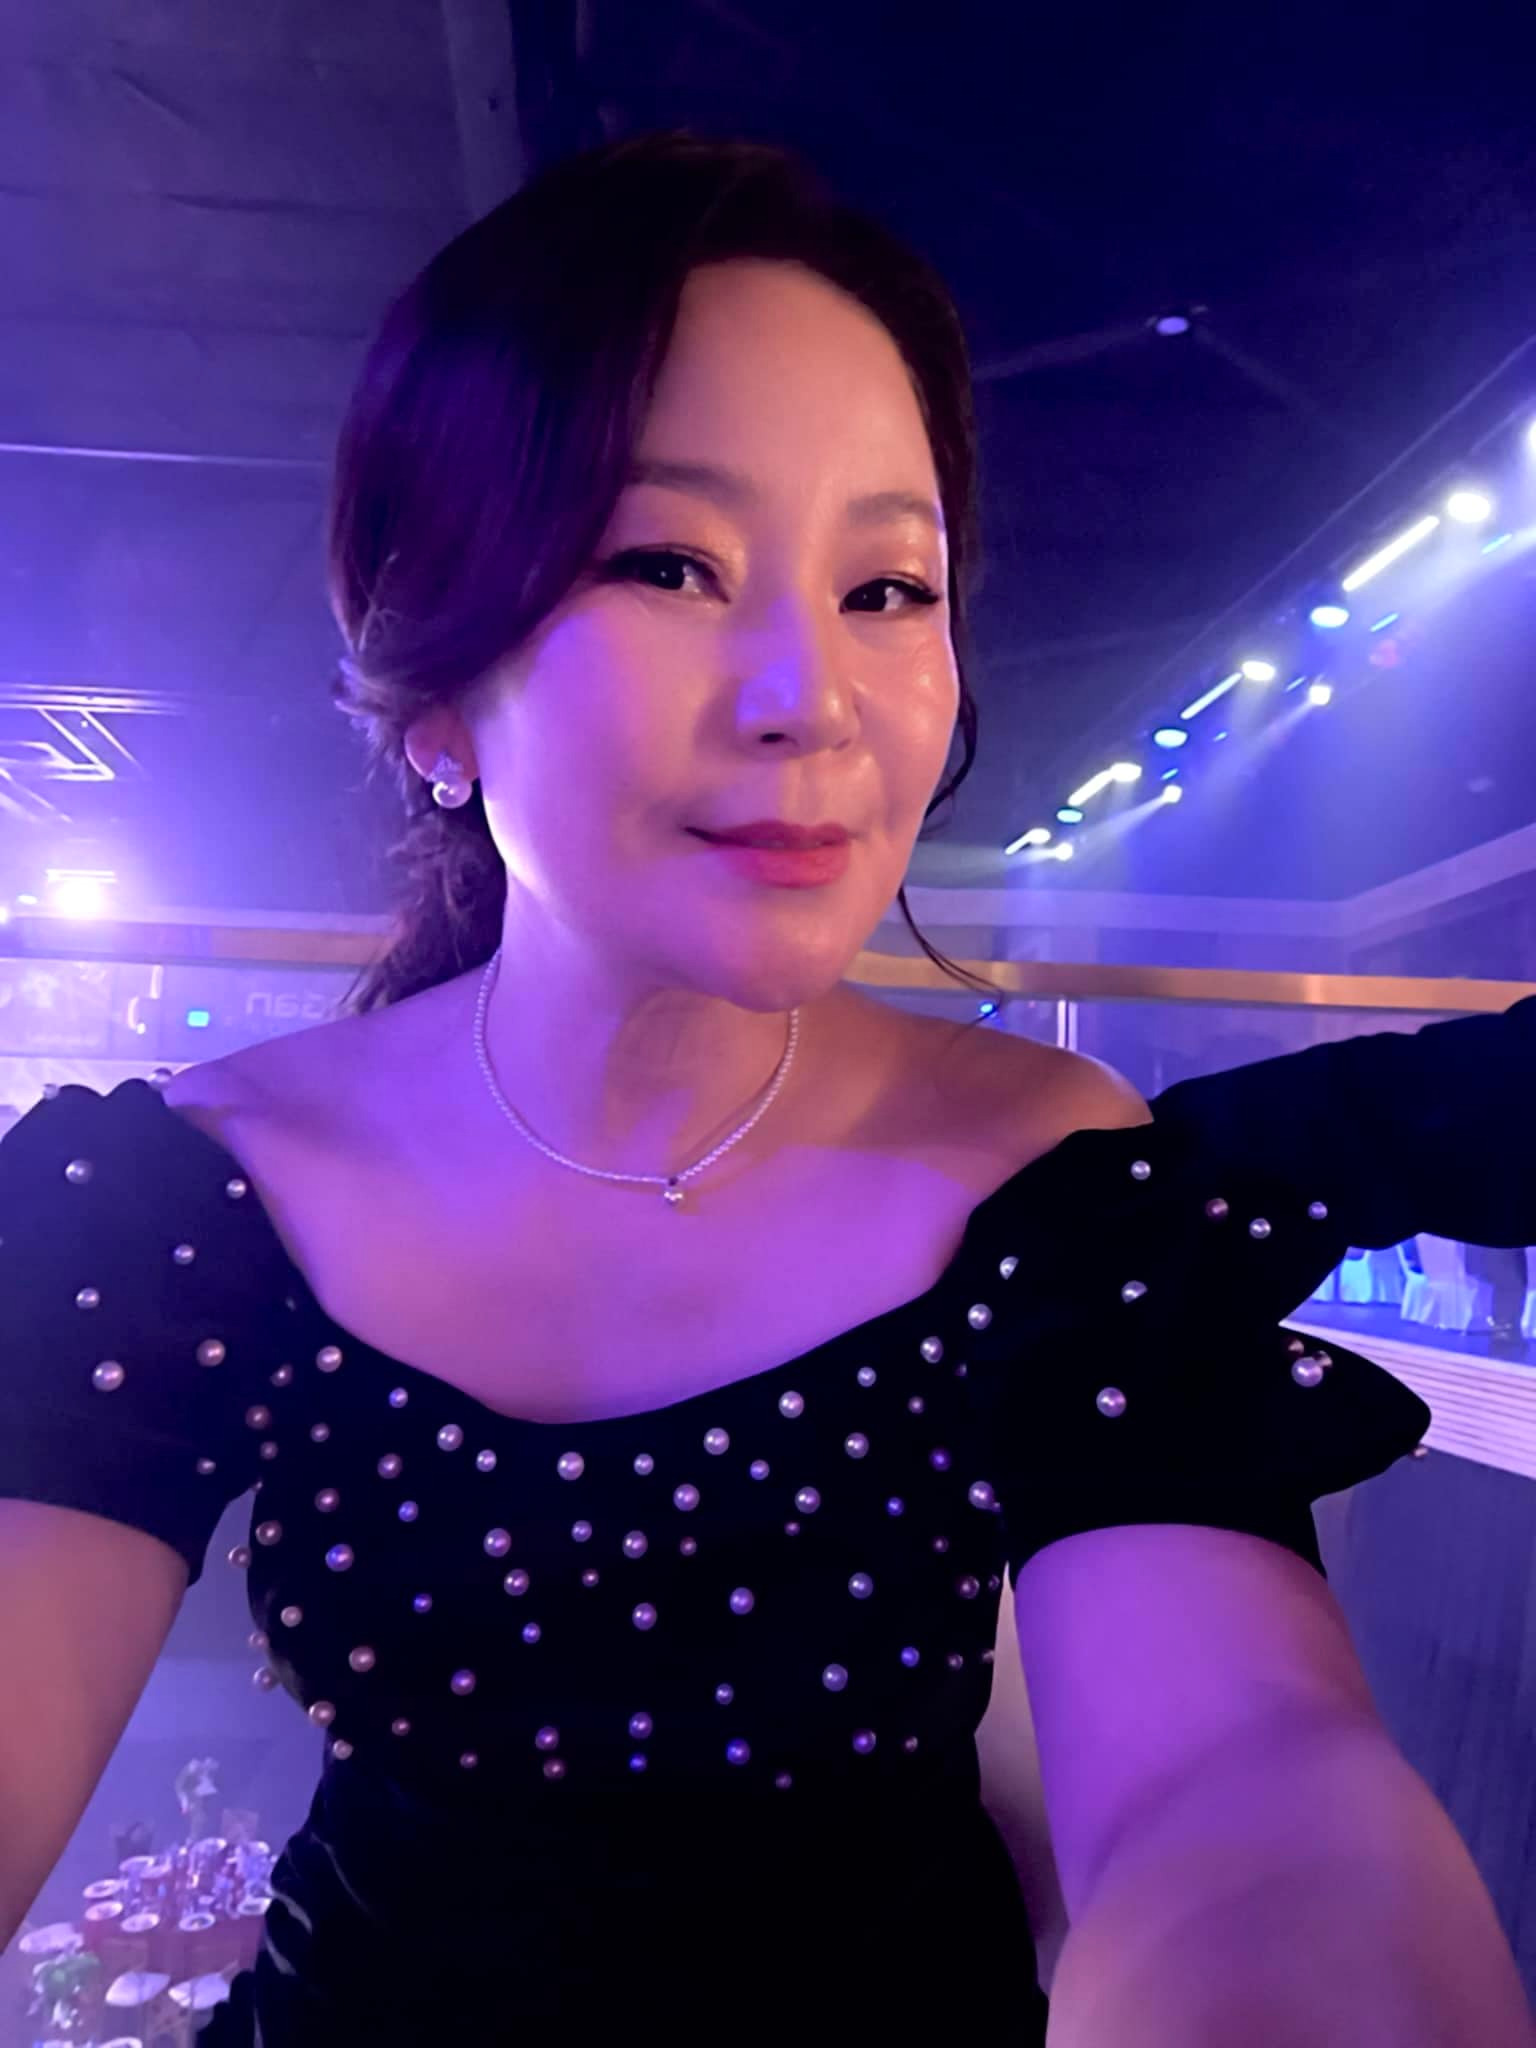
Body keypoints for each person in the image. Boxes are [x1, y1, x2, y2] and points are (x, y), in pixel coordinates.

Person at [1, 130, 1533, 2045]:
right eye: (671, 564)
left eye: (889, 586)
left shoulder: (1052, 1194)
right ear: (434, 689)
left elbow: (1244, 1786)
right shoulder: (185, 1202)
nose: (812, 695)